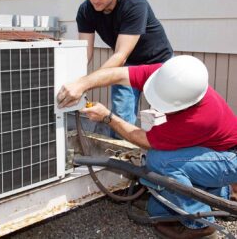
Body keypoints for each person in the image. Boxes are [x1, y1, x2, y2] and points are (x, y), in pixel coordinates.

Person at [57, 55, 237, 239]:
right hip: (211, 151)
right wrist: (82, 84)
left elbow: (145, 140)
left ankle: (200, 225)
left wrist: (107, 117)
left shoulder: (199, 119)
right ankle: (222, 195)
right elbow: (118, 74)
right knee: (156, 209)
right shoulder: (169, 76)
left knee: (160, 161)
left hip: (229, 158)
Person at [77, 0, 173, 138]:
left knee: (164, 118)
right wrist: (75, 80)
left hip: (159, 64)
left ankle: (161, 160)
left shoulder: (134, 3)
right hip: (128, 66)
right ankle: (121, 161)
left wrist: (86, 83)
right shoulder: (85, 11)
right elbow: (85, 53)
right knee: (120, 117)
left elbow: (120, 54)